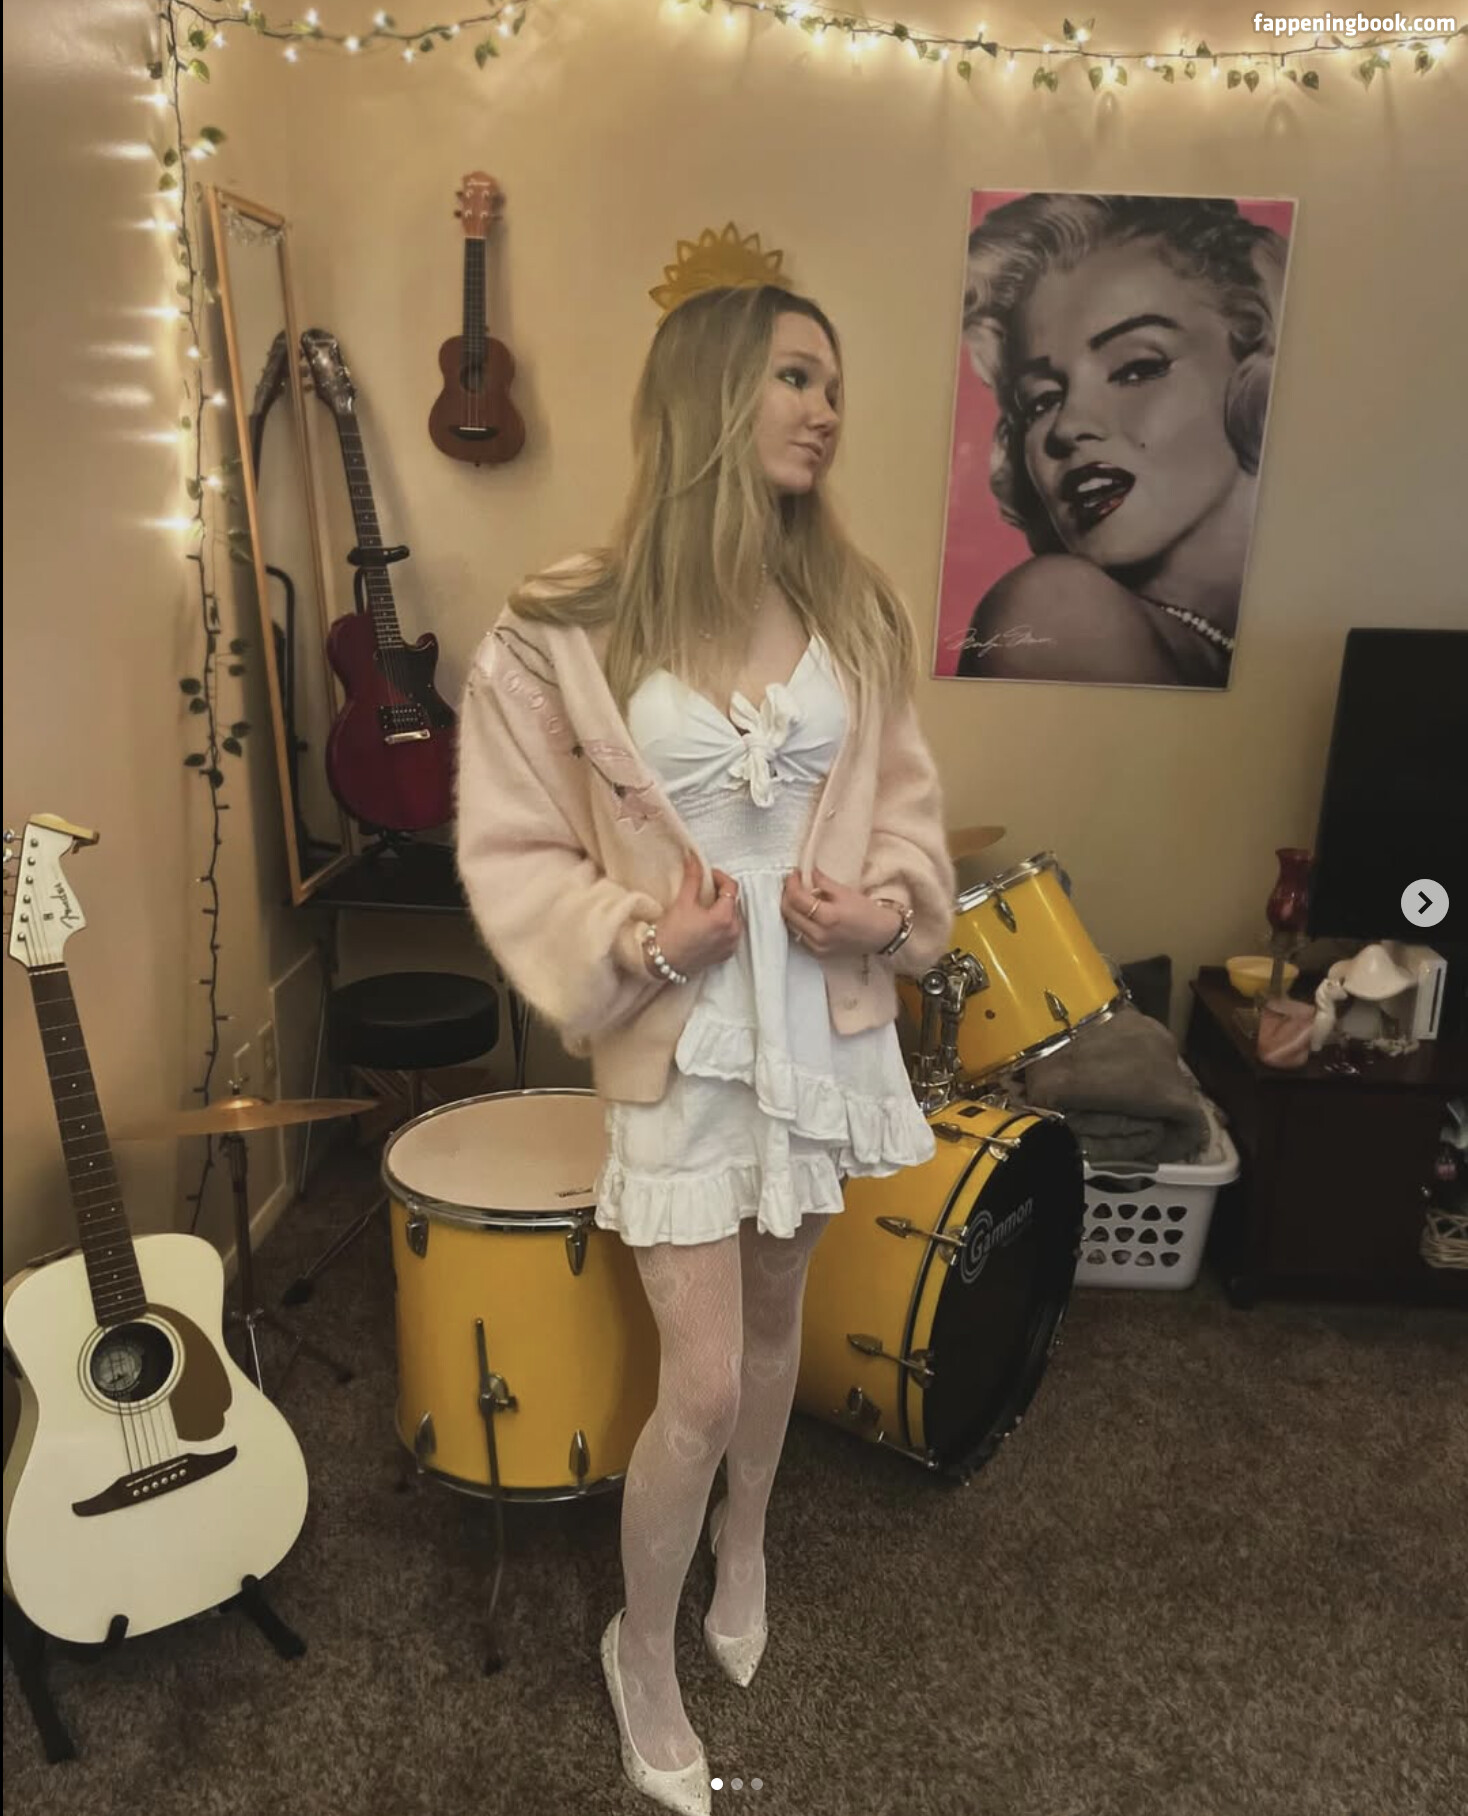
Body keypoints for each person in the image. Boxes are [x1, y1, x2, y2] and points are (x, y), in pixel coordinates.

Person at [455, 283, 955, 1815]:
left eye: (833, 383)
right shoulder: (564, 623)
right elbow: (515, 846)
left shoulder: (858, 608)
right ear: (712, 391)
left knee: (781, 1315)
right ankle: (645, 1652)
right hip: (681, 1036)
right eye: (795, 376)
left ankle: (748, 1541)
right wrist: (642, 942)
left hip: (821, 1027)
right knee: (708, 1380)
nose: (825, 409)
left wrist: (883, 910)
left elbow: (910, 817)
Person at [954, 193, 1289, 688]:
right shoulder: (1057, 611)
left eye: (1137, 368)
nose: (1067, 426)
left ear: (1255, 368)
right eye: (1041, 401)